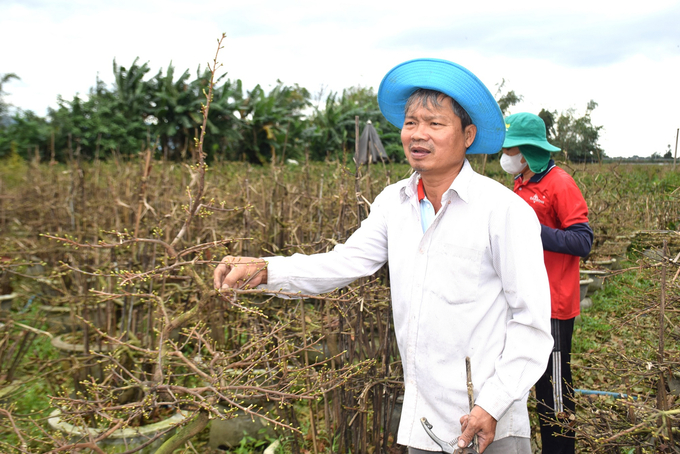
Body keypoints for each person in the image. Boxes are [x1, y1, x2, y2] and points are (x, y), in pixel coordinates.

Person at [215, 59, 553, 454]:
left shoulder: (504, 211)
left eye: (435, 124)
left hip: (489, 422)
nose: (418, 134)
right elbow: (344, 262)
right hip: (423, 420)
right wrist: (266, 270)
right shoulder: (395, 203)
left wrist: (491, 404)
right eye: (411, 123)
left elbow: (531, 323)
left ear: (468, 135)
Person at [499, 112, 594, 454]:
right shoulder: (521, 182)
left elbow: (582, 240)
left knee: (554, 388)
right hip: (524, 299)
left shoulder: (560, 183)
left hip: (553, 304)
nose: (506, 156)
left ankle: (560, 449)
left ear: (527, 151)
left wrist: (534, 232)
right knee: (529, 378)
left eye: (511, 149)